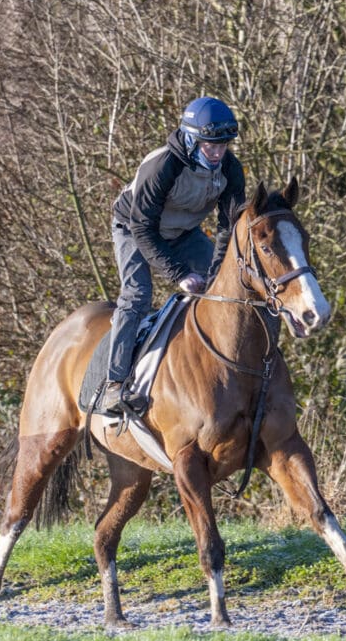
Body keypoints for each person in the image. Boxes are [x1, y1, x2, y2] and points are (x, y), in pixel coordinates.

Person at [100, 96, 247, 415]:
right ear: (193, 140)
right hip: (134, 228)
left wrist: (216, 270)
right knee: (137, 295)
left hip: (183, 232)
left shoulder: (231, 169)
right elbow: (143, 228)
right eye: (211, 145)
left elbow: (228, 228)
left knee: (224, 286)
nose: (219, 152)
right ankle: (114, 384)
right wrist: (179, 273)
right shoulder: (163, 165)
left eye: (223, 145)